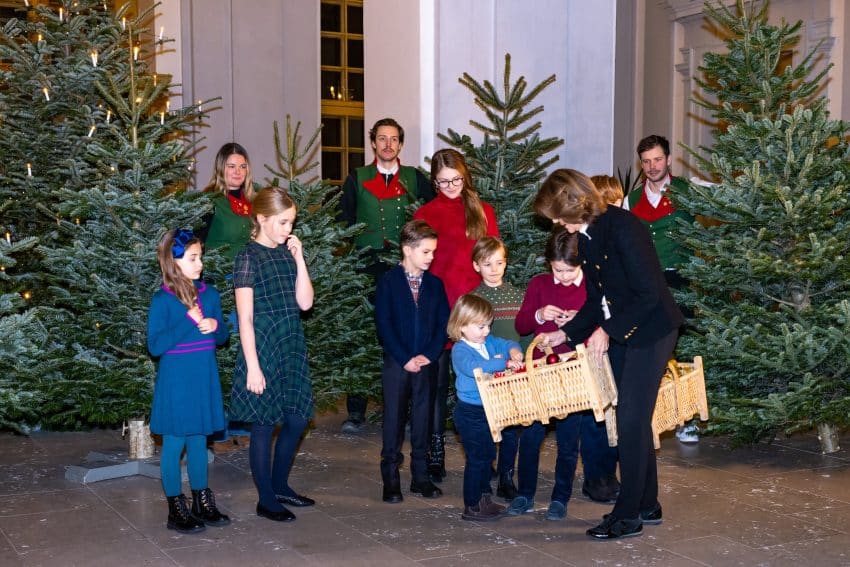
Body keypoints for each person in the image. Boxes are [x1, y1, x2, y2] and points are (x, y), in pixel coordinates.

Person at [533, 168, 684, 540]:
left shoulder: (624, 228)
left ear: (575, 204)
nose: (555, 222)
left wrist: (607, 330)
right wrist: (564, 333)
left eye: (557, 213)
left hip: (652, 330)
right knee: (631, 418)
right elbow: (596, 300)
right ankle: (647, 502)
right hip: (624, 331)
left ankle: (628, 515)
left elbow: (648, 295)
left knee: (631, 421)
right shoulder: (585, 235)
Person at [509, 228, 619, 521]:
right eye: (558, 270)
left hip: (574, 372)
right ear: (549, 264)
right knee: (530, 437)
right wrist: (540, 315)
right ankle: (525, 493)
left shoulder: (593, 287)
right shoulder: (539, 284)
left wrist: (578, 322)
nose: (565, 277)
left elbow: (606, 325)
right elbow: (521, 325)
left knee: (569, 440)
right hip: (540, 372)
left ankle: (560, 497)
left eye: (571, 271)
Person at [338, 118, 435, 434]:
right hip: (365, 266)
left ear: (401, 144)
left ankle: (405, 410)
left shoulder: (415, 179)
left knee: (406, 332)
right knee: (363, 335)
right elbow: (343, 223)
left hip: (403, 267)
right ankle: (356, 411)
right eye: (382, 139)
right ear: (373, 143)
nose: (388, 144)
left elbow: (428, 219)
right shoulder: (356, 178)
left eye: (394, 139)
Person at [413, 148, 500, 483]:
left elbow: (491, 258)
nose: (451, 186)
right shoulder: (426, 213)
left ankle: (484, 453)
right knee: (436, 388)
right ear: (434, 182)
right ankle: (436, 453)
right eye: (443, 181)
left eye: (457, 180)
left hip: (475, 311)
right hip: (439, 310)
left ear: (466, 176)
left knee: (483, 385)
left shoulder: (482, 211)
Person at [229, 187, 316, 523]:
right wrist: (252, 366)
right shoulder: (248, 257)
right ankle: (266, 498)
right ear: (261, 219)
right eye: (281, 222)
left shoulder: (285, 253)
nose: (287, 229)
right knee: (264, 424)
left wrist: (299, 257)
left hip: (290, 340)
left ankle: (280, 485)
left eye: (291, 222)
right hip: (263, 344)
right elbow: (245, 317)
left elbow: (305, 303)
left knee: (296, 417)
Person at [147, 228, 231, 534]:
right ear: (174, 261)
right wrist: (189, 320)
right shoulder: (163, 300)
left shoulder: (210, 294)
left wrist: (214, 324)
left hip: (203, 377)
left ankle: (201, 500)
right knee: (174, 444)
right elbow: (155, 345)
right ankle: (175, 507)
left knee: (199, 440)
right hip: (177, 383)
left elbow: (222, 336)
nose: (200, 264)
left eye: (200, 257)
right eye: (193, 258)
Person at [624, 135, 698, 443]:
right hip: (645, 284)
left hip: (680, 279)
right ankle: (651, 415)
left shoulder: (688, 192)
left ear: (668, 159)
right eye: (646, 161)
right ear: (640, 164)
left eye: (657, 160)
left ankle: (687, 419)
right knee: (651, 350)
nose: (652, 166)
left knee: (682, 349)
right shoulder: (632, 199)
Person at [374, 219, 450, 503]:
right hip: (398, 362)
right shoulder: (389, 282)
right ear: (407, 249)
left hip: (426, 362)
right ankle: (390, 479)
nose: (432, 257)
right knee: (393, 418)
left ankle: (421, 476)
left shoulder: (435, 284)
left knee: (423, 419)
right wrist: (405, 357)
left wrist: (429, 355)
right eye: (426, 251)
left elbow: (444, 323)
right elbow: (384, 324)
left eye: (433, 252)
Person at [449, 294, 523, 521]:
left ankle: (484, 499)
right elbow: (475, 368)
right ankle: (471, 505)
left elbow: (506, 342)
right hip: (470, 412)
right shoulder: (460, 350)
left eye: (488, 326)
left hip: (490, 409)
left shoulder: (487, 343)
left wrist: (513, 350)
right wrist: (503, 362)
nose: (486, 331)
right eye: (480, 326)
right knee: (477, 458)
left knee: (488, 454)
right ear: (461, 326)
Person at [469, 236, 525, 502]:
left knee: (512, 428)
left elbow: (524, 332)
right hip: (488, 376)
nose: (494, 268)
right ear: (476, 266)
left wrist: (522, 358)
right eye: (487, 263)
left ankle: (506, 476)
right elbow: (467, 340)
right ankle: (485, 473)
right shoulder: (473, 300)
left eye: (499, 262)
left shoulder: (517, 295)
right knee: (489, 426)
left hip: (514, 373)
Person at [201, 142, 255, 260]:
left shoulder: (253, 198)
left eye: (243, 166)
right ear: (220, 168)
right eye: (231, 166)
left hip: (251, 269)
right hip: (220, 274)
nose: (238, 171)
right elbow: (196, 243)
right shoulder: (208, 200)